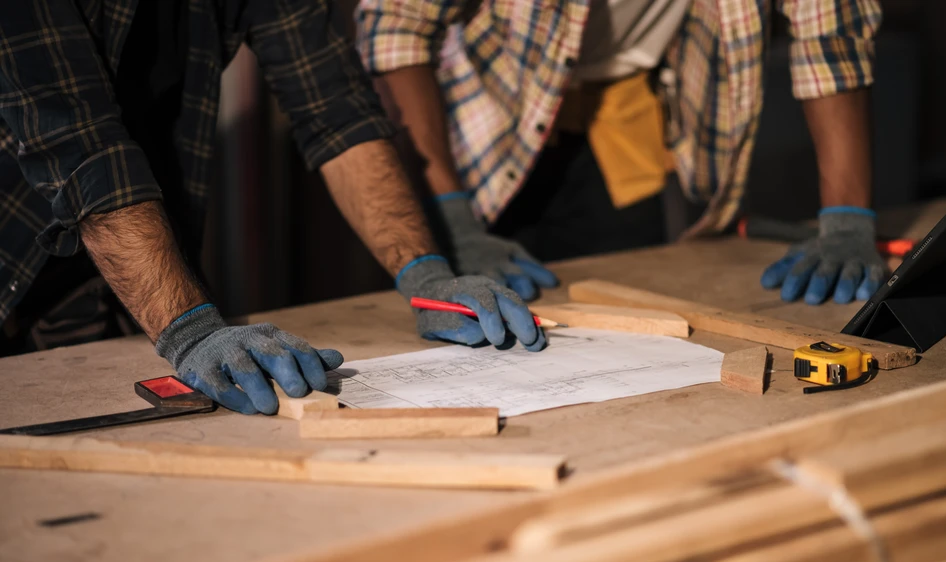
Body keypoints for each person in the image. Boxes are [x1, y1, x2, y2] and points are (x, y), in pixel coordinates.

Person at [0, 0, 545, 416]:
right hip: (19, 243)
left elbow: (338, 111)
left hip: (130, 252)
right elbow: (83, 146)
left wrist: (423, 271)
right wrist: (190, 331)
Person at [355, 0, 886, 306]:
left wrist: (847, 217)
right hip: (474, 133)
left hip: (617, 130)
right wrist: (450, 215)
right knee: (453, 322)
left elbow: (830, 28)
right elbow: (396, 25)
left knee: (613, 328)